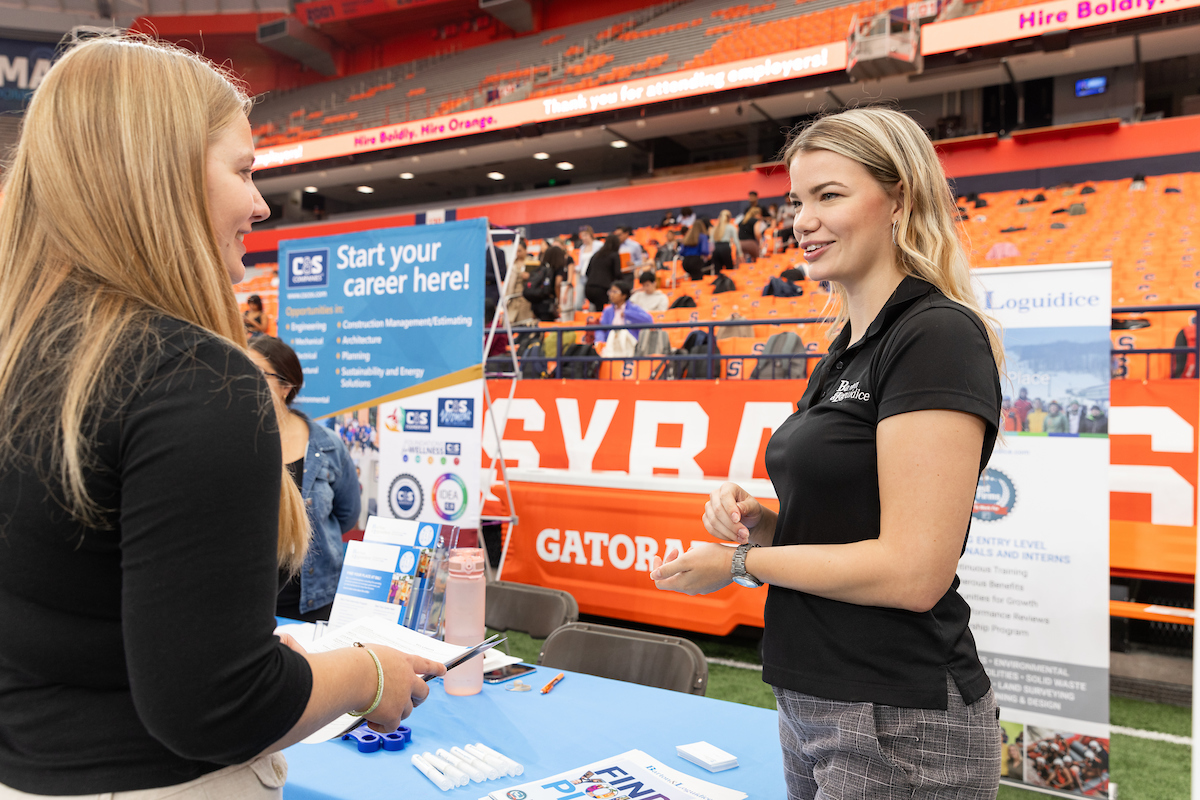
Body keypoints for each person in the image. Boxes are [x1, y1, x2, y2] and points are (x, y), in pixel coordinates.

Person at [0, 36, 444, 797]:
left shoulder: (28, 352)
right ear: (160, 177)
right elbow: (216, 703)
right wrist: (366, 674)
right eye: (243, 169)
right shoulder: (194, 378)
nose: (260, 202)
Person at [650, 107, 1004, 800]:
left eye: (829, 196)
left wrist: (740, 563)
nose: (802, 220)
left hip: (897, 719)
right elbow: (848, 532)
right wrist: (766, 522)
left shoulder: (935, 335)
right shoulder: (846, 347)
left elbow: (912, 571)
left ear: (898, 197)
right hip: (815, 698)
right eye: (796, 201)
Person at [248, 337, 361, 622]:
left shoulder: (328, 445)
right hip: (248, 602)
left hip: (315, 600)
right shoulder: (232, 442)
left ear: (286, 387)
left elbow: (346, 514)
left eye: (258, 373)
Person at [595, 279, 653, 348]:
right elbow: (601, 329)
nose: (611, 295)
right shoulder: (608, 311)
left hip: (631, 345)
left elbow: (649, 320)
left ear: (624, 295)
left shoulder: (633, 308)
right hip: (610, 345)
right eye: (610, 292)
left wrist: (627, 314)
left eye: (615, 292)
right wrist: (600, 341)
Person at [585, 234, 623, 311]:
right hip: (602, 289)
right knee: (602, 312)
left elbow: (587, 272)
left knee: (595, 310)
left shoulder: (596, 254)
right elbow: (617, 273)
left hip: (588, 288)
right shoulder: (614, 255)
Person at [571, 225, 603, 312]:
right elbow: (581, 265)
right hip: (583, 277)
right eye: (582, 236)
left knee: (593, 305)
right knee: (577, 304)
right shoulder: (582, 248)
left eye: (585, 235)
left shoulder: (599, 245)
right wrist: (574, 268)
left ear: (590, 234)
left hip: (594, 278)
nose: (583, 238)